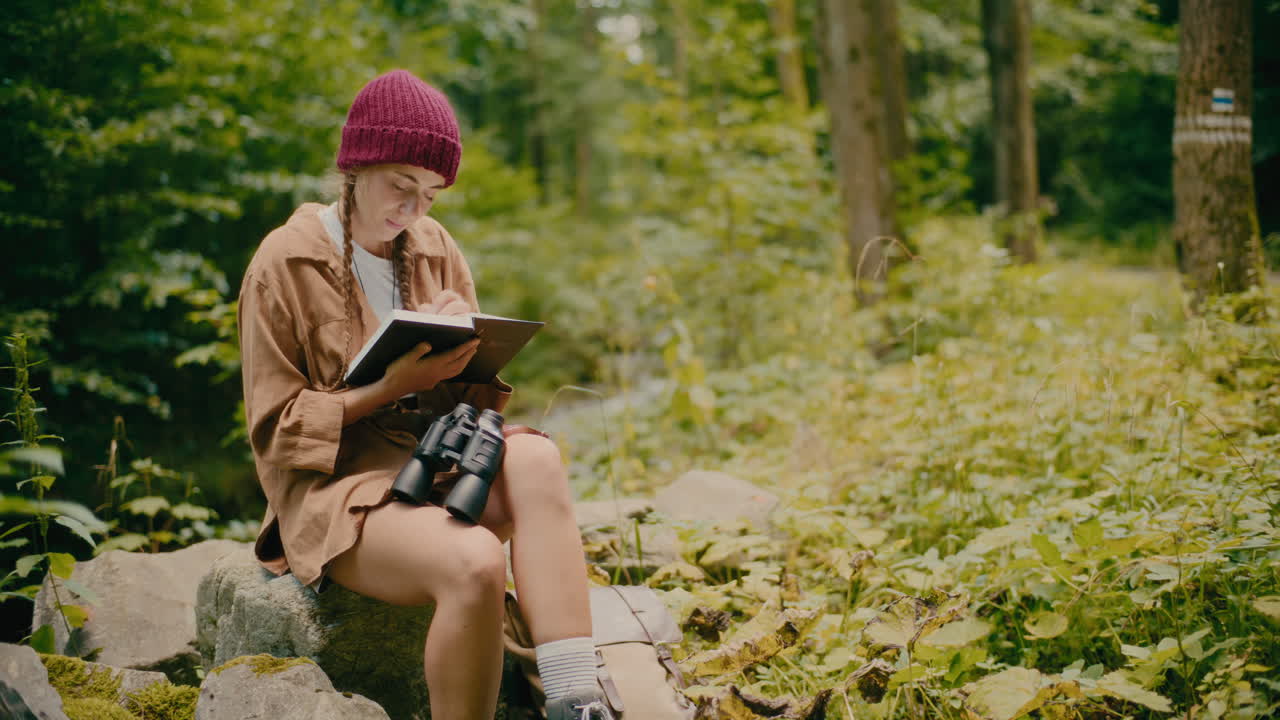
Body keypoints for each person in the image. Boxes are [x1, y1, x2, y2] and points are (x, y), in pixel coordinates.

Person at [237, 69, 613, 720]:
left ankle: (577, 701)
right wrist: (387, 387)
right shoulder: (286, 261)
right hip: (335, 492)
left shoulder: (435, 248)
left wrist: (460, 356)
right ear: (357, 169)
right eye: (400, 187)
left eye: (431, 196)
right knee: (473, 562)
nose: (413, 211)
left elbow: (472, 417)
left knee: (536, 457)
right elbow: (277, 434)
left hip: (432, 464)